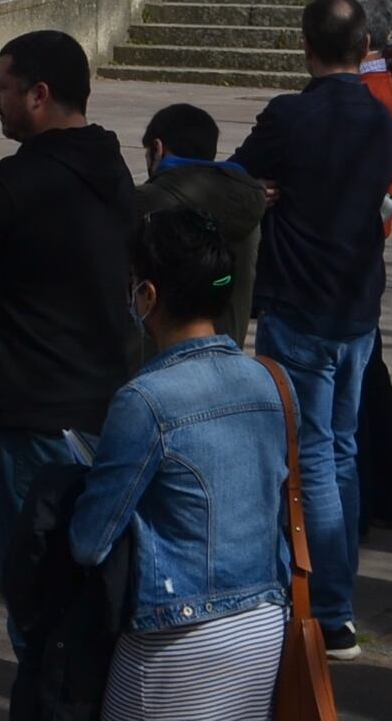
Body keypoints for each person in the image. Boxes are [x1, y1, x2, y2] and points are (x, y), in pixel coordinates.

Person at [0, 29, 140, 599]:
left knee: (34, 586)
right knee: (88, 576)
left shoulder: (11, 185)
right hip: (106, 401)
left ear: (39, 94)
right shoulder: (113, 171)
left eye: (3, 87)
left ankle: (46, 686)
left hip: (28, 408)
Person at [68, 203, 292, 721]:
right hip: (264, 624)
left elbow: (89, 541)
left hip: (176, 634)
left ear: (147, 295)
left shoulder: (145, 401)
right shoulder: (272, 382)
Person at [230, 0, 392, 659]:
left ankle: (323, 610)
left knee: (311, 460)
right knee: (342, 452)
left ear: (304, 46)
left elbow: (237, 174)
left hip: (301, 306)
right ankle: (336, 603)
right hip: (357, 308)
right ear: (364, 49)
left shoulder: (290, 117)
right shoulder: (379, 118)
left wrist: (263, 193)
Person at [347, 0, 392, 535]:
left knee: (358, 380)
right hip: (366, 240)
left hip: (352, 244)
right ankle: (385, 493)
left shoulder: (366, 92)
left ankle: (369, 497)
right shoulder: (378, 85)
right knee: (371, 373)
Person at [135, 104, 264, 337]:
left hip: (160, 358)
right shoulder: (246, 201)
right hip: (226, 350)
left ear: (158, 148)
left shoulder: (148, 203)